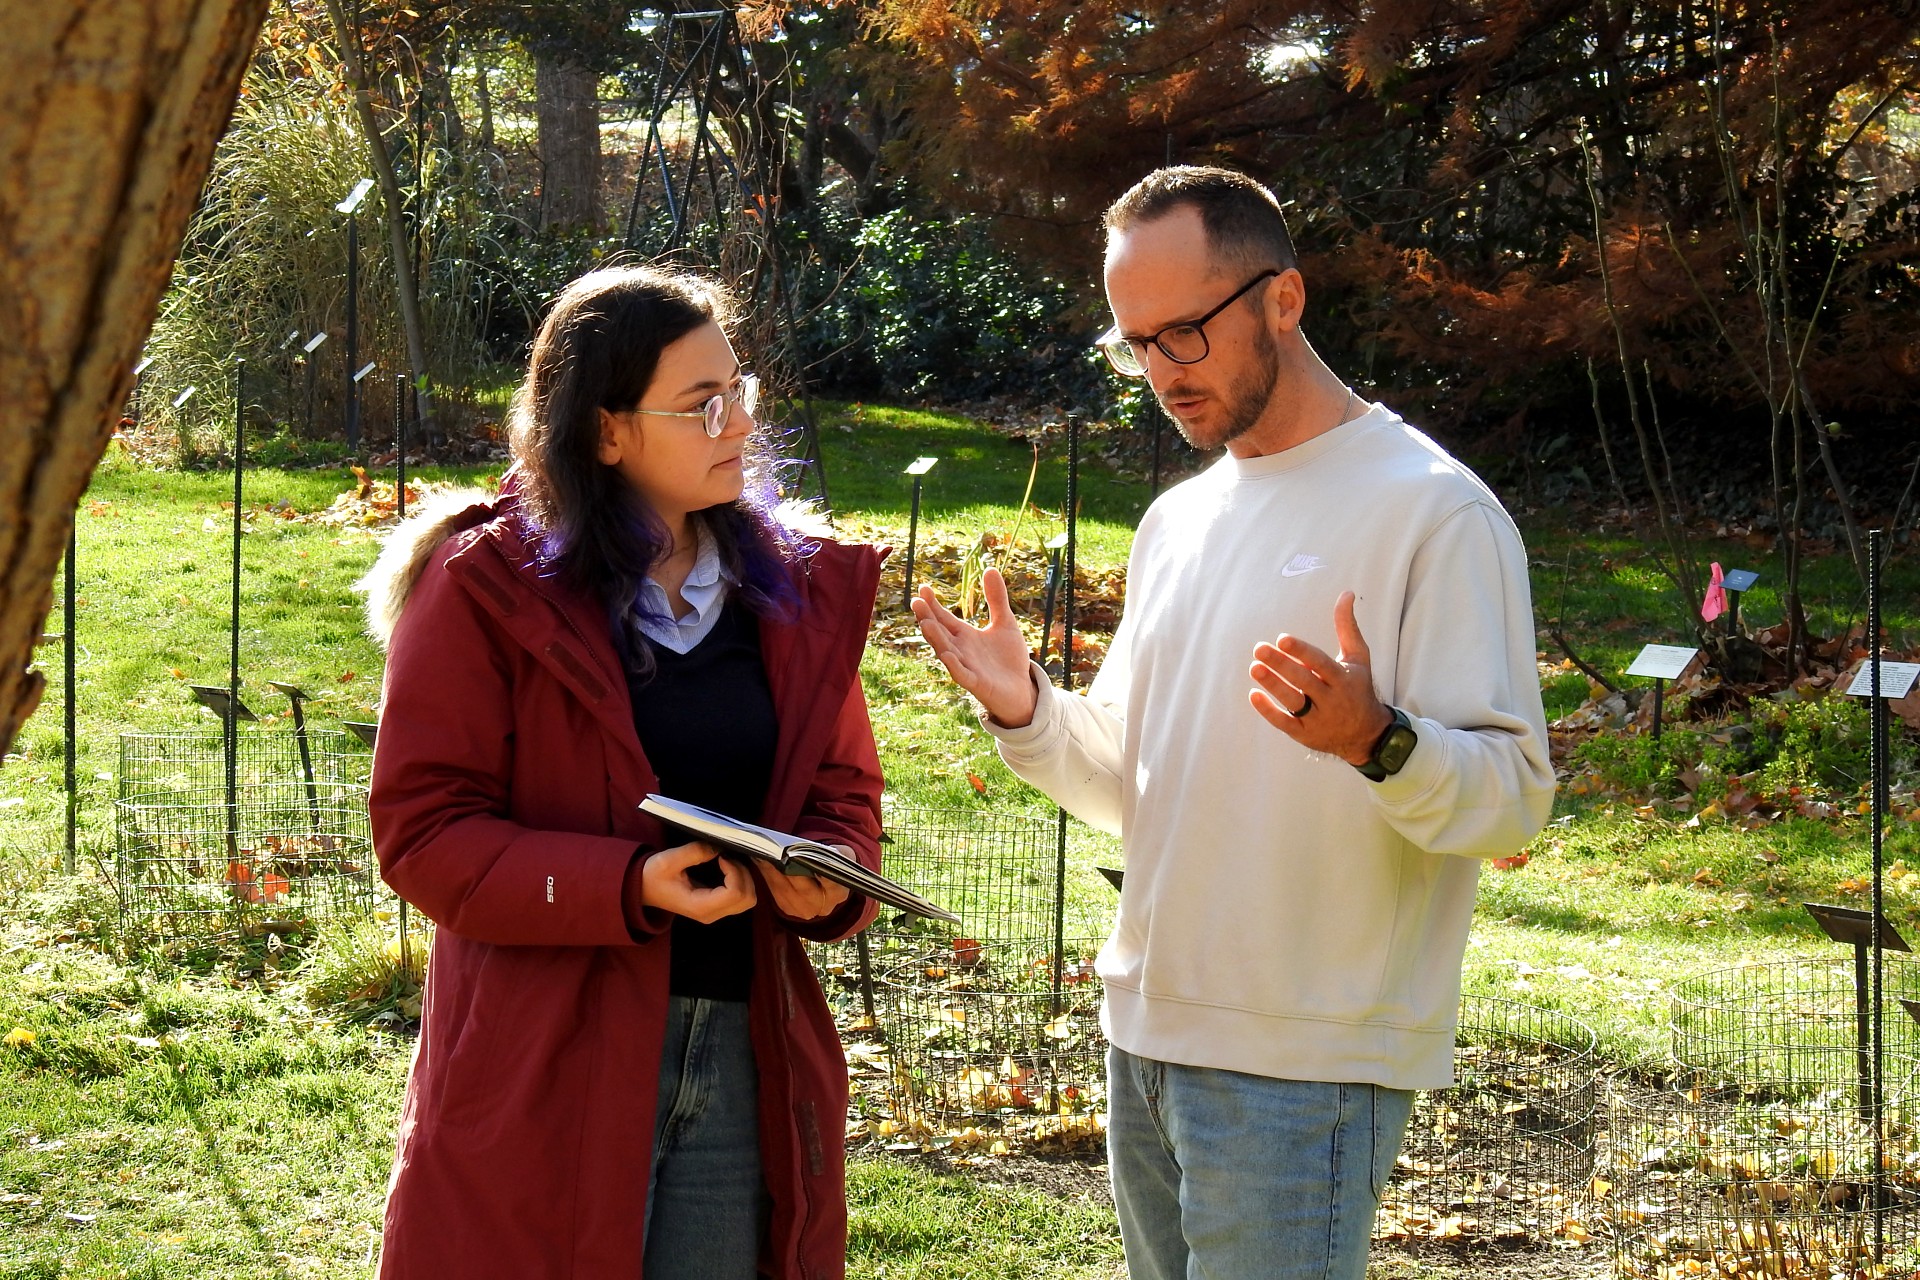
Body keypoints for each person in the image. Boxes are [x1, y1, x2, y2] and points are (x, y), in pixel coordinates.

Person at [910, 166, 1555, 1280]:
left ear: (1284, 301)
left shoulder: (1434, 510)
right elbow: (1125, 786)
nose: (1162, 372)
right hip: (1144, 1039)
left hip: (1302, 1063)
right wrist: (1026, 707)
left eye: (1186, 334)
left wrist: (1378, 739)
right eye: (1135, 343)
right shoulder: (1178, 519)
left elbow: (1512, 794)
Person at [361, 264, 885, 1280]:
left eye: (742, 391)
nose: (739, 423)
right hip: (544, 1052)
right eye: (702, 404)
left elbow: (843, 792)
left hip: (744, 1052)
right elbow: (423, 833)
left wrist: (829, 868)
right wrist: (624, 884)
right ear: (604, 431)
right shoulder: (484, 587)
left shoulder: (795, 591)